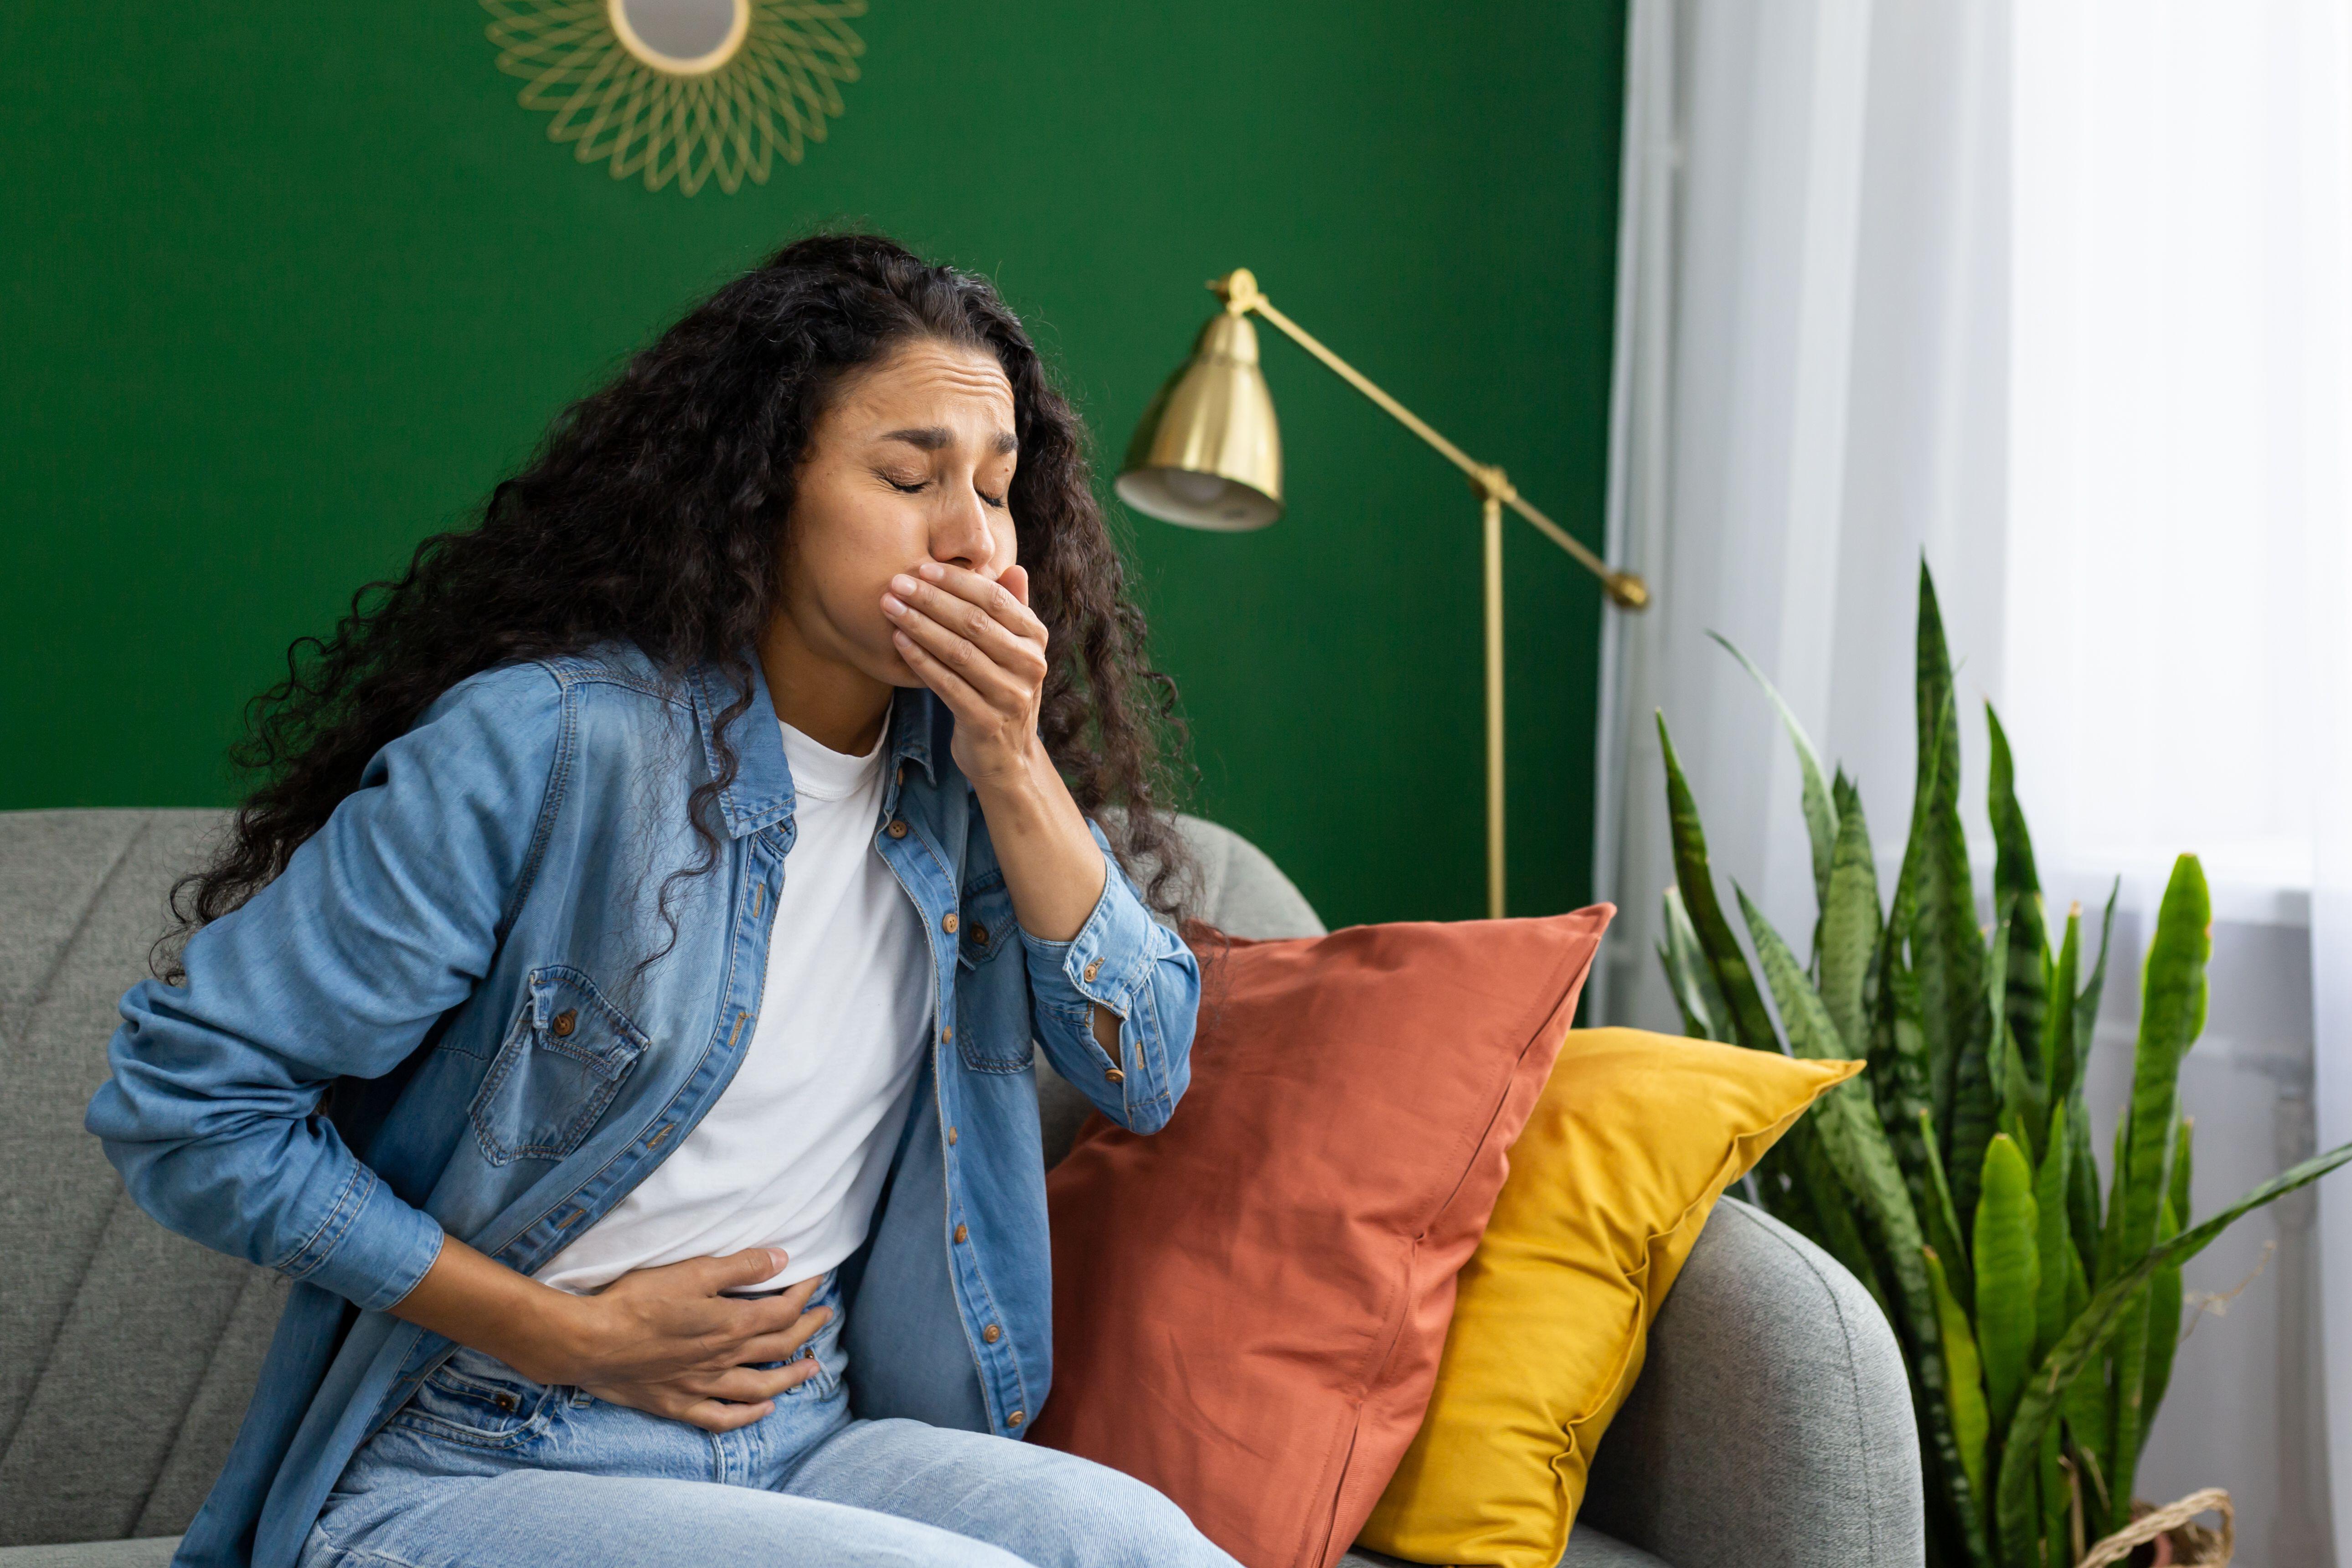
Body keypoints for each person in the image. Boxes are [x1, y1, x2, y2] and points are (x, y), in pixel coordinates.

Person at [86, 233, 1234, 1568]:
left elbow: (1145, 1073)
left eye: (996, 486)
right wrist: (566, 1333)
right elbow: (185, 1107)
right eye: (907, 475)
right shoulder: (548, 749)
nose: (973, 537)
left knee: (1153, 1549)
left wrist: (1016, 764)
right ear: (759, 492)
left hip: (811, 1436)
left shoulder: (968, 779)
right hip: (477, 1454)